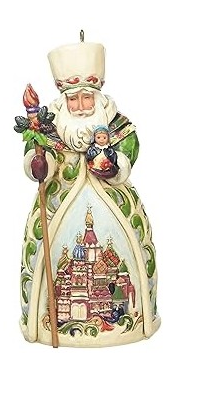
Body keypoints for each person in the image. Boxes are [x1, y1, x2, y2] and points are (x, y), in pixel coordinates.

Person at [20, 39, 160, 347]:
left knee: (132, 249)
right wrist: (40, 163)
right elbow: (37, 154)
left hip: (114, 198)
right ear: (63, 101)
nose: (82, 106)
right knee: (44, 255)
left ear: (98, 96)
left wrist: (115, 164)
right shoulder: (50, 130)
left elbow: (129, 148)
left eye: (87, 98)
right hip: (59, 197)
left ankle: (138, 321)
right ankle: (42, 323)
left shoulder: (116, 125)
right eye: (74, 100)